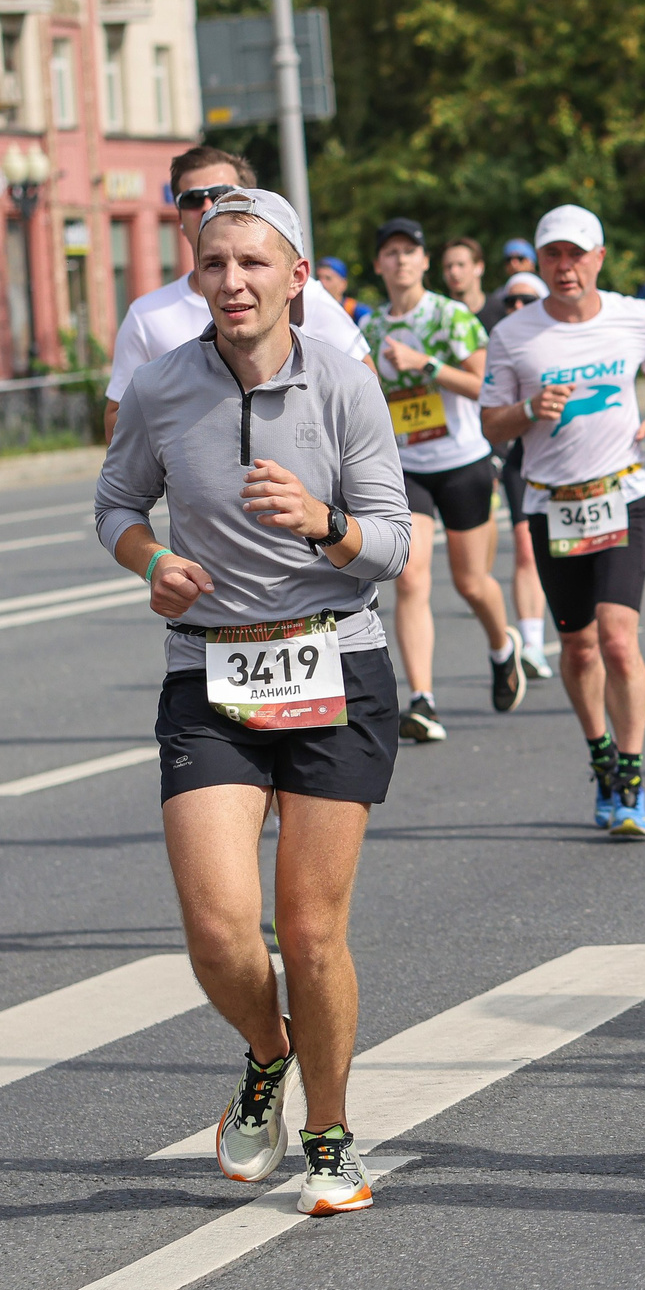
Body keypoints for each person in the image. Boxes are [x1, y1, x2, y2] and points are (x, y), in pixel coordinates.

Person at [95, 187, 411, 1218]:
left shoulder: (345, 382)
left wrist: (323, 523)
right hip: (209, 665)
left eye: (254, 263)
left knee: (309, 931)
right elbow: (114, 502)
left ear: (297, 277)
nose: (233, 281)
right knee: (219, 929)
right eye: (214, 262)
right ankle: (266, 1054)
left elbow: (396, 541)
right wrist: (151, 559)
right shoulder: (160, 385)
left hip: (333, 657)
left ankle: (329, 1130)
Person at [479, 204, 645, 838]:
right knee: (578, 646)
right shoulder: (515, 334)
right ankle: (599, 755)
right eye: (553, 256)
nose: (565, 268)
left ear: (599, 257)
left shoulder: (633, 315)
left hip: (623, 492)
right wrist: (528, 410)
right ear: (540, 263)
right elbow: (491, 423)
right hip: (552, 503)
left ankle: (631, 774)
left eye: (576, 254)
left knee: (619, 640)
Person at [360, 216, 521, 733]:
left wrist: (424, 364)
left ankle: (502, 646)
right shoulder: (369, 329)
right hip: (407, 468)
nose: (401, 259)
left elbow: (486, 387)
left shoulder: (452, 317)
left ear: (425, 261)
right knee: (409, 576)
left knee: (473, 583)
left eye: (411, 250)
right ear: (379, 264)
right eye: (391, 252)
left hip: (463, 462)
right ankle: (423, 700)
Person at [107, 147, 369, 441]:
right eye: (192, 199)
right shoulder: (147, 315)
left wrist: (316, 457)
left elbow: (365, 388)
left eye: (221, 194)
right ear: (179, 217)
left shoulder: (300, 292)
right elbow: (120, 417)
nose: (207, 205)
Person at [483, 265, 556, 681]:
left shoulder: (556, 340)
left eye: (527, 301)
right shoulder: (500, 343)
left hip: (566, 460)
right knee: (526, 549)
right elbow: (487, 407)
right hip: (517, 459)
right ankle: (531, 642)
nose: (516, 307)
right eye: (510, 300)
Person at [479, 238, 538, 327]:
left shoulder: (552, 290)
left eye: (520, 258)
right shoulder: (499, 295)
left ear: (531, 262)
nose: (513, 263)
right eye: (510, 302)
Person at [439, 234, 490, 320]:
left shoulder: (501, 311)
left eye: (461, 265)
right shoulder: (437, 316)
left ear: (479, 267)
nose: (454, 272)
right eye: (448, 266)